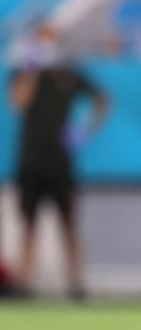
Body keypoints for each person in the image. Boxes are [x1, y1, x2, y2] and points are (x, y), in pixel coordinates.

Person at [8, 25, 107, 299]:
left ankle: (76, 283)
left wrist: (83, 129)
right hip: (31, 160)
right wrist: (31, 70)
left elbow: (102, 100)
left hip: (60, 161)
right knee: (28, 224)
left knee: (69, 223)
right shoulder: (26, 72)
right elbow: (18, 102)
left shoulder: (69, 73)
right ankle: (24, 283)